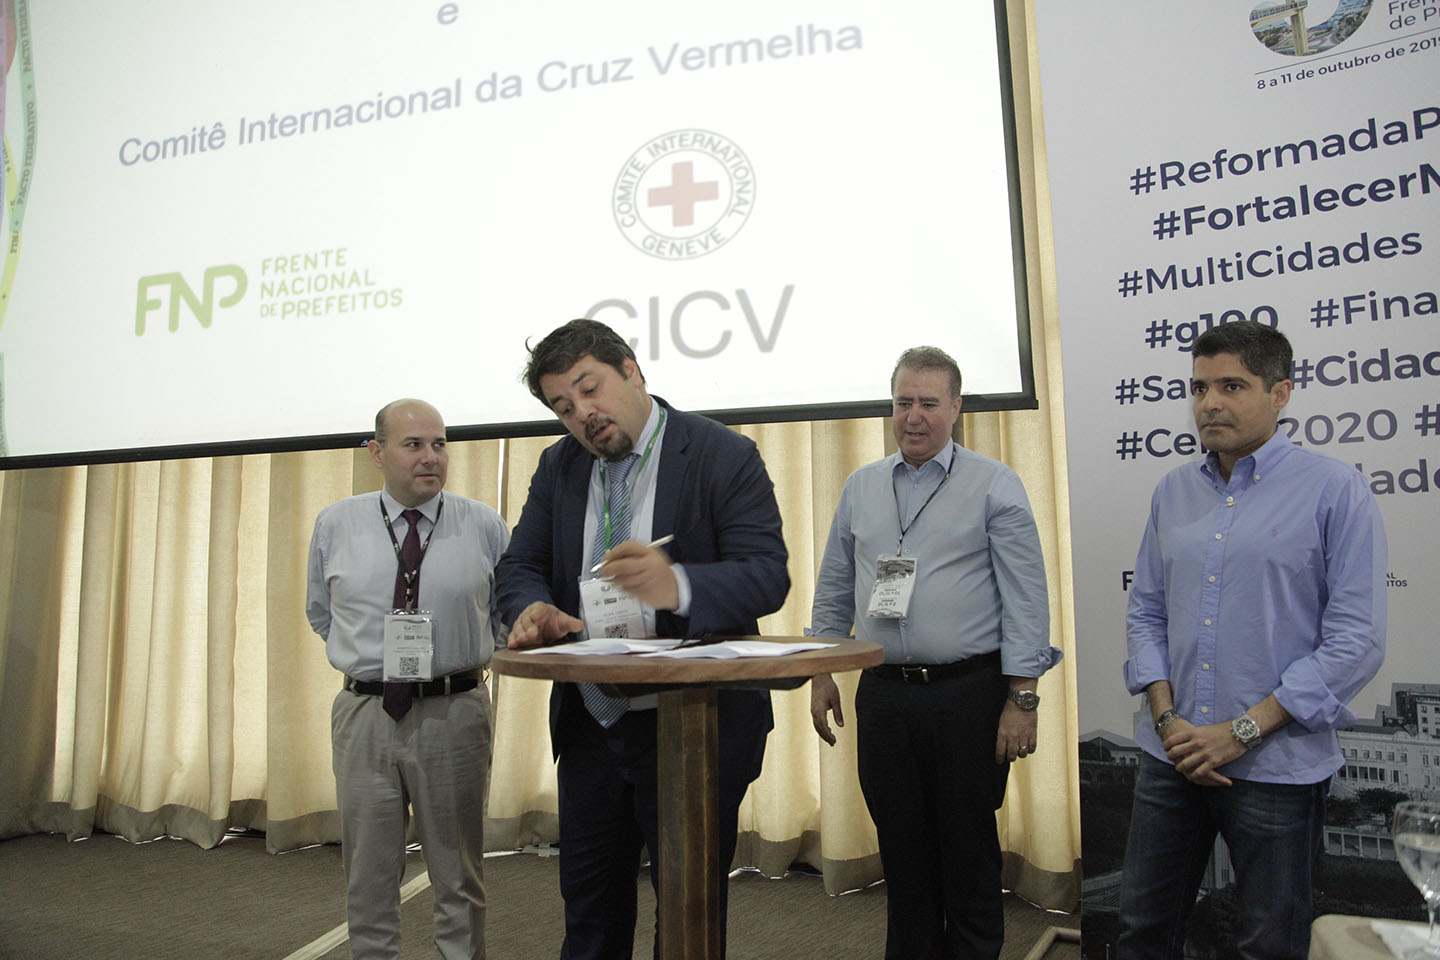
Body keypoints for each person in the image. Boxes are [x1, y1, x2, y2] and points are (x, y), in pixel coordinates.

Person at [495, 318, 787, 959]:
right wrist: (533, 607)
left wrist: (675, 584)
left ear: (631, 369)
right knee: (590, 917)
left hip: (693, 724)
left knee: (687, 919)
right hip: (592, 723)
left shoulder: (720, 453)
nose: (582, 414)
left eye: (590, 388)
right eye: (563, 407)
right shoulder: (559, 466)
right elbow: (520, 565)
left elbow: (767, 576)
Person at [1116, 321, 1387, 960]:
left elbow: (1356, 640)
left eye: (1231, 386)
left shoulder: (1335, 489)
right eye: (1199, 388)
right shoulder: (1173, 490)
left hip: (1276, 770)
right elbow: (1146, 612)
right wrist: (1169, 720)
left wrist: (1239, 732)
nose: (1209, 403)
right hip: (1170, 757)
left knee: (1270, 944)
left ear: (1281, 392)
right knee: (1141, 934)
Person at [808, 346, 1061, 960]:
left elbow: (1026, 599)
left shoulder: (994, 483)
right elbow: (835, 586)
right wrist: (821, 671)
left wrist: (1022, 699)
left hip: (968, 696)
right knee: (903, 853)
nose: (914, 416)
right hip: (884, 696)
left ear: (956, 407)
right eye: (903, 403)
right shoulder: (861, 486)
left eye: (928, 403)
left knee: (967, 851)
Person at [306, 399, 509, 960]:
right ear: (377, 453)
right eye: (413, 444)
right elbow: (322, 614)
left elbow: (505, 615)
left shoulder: (483, 525)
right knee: (368, 875)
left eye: (439, 444)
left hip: (455, 712)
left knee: (458, 874)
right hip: (365, 716)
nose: (431, 457)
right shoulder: (336, 523)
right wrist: (372, 664)